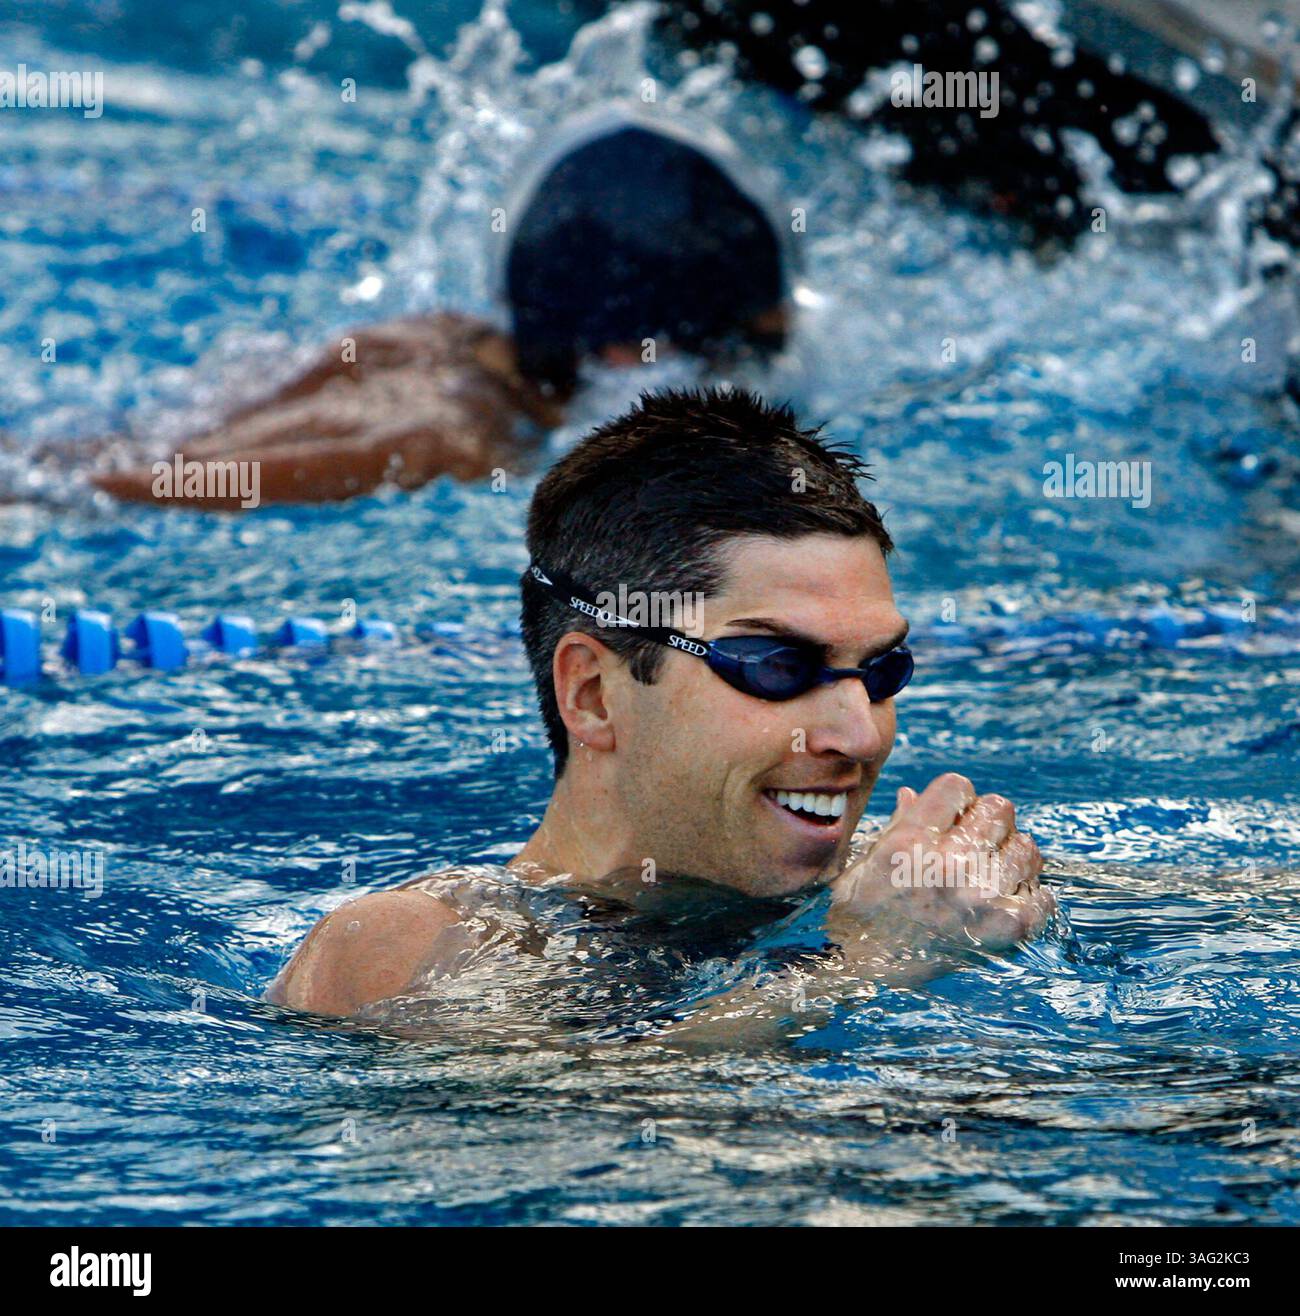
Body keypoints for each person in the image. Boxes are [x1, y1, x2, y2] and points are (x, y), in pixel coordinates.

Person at [267, 387, 1055, 1041]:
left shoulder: (913, 891)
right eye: (776, 666)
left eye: (883, 670)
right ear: (593, 694)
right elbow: (529, 1139)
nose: (862, 734)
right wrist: (864, 971)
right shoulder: (413, 945)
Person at [91, 109, 788, 507]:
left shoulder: (435, 336)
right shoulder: (455, 445)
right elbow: (127, 487)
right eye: (733, 355)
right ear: (624, 351)